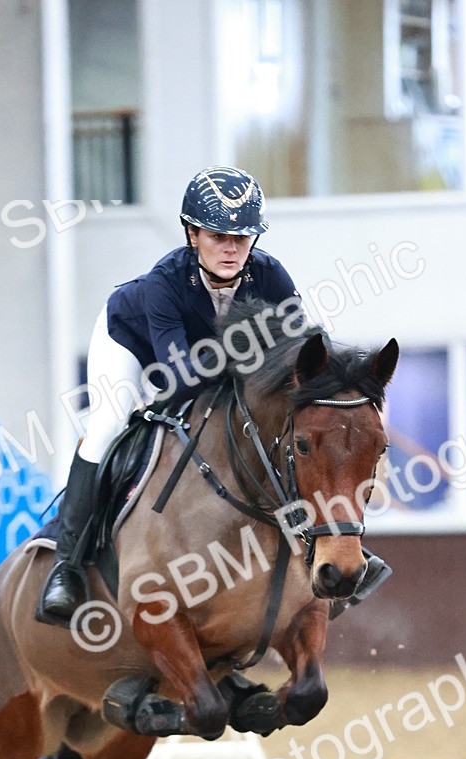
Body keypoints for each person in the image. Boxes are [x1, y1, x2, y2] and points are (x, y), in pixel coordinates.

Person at [37, 166, 299, 624]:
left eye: (243, 237)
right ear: (192, 234)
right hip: (132, 344)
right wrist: (249, 360)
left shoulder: (272, 278)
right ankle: (68, 566)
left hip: (204, 366)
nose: (232, 248)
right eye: (219, 235)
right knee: (107, 425)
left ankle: (318, 546)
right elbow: (177, 379)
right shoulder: (164, 284)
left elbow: (297, 359)